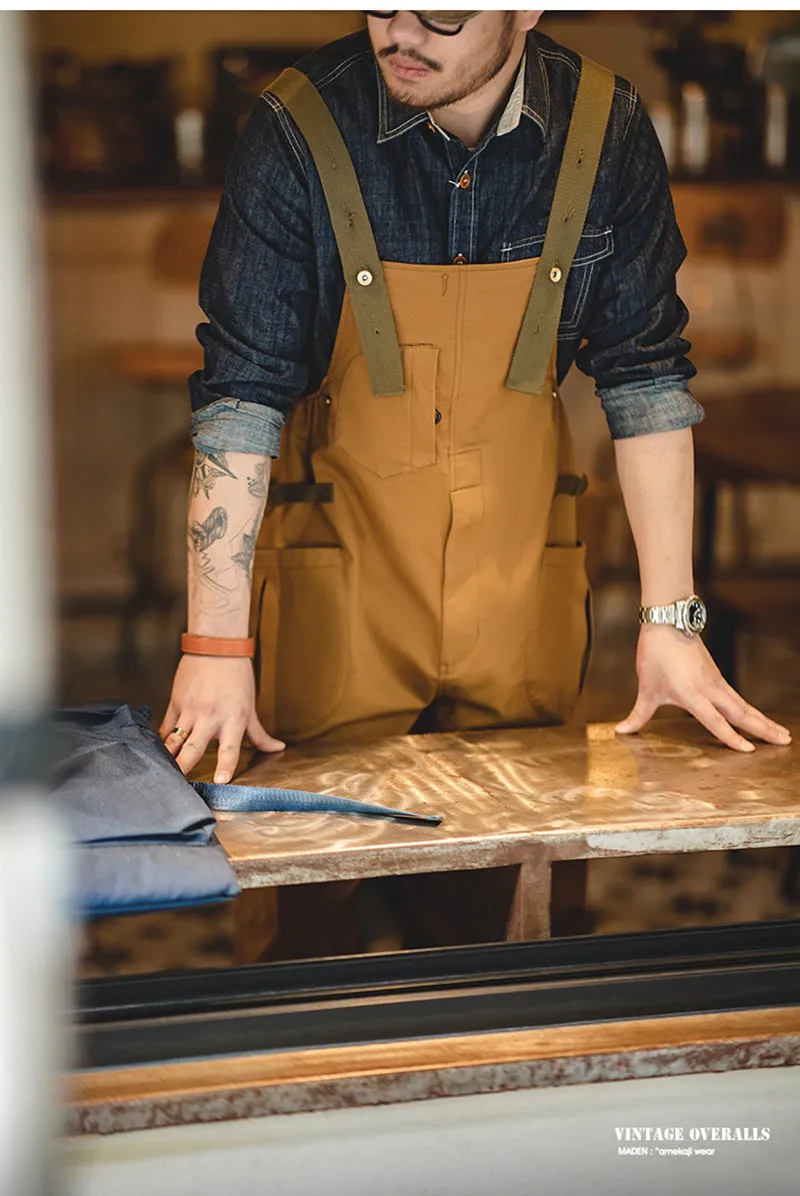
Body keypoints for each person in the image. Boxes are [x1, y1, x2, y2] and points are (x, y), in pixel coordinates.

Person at [161, 12, 790, 794]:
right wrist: (215, 648)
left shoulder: (608, 128)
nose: (401, 32)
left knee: (512, 896)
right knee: (307, 886)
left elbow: (647, 377)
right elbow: (240, 398)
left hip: (520, 596)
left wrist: (672, 620)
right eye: (383, 5)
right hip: (337, 595)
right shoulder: (298, 126)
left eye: (444, 11)